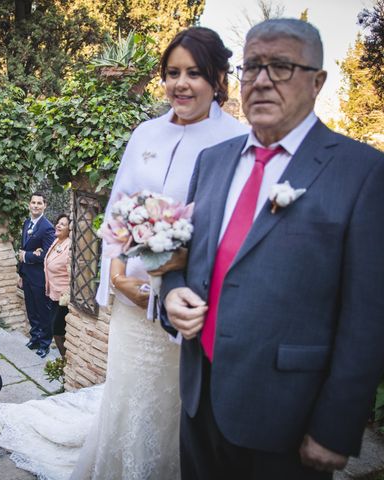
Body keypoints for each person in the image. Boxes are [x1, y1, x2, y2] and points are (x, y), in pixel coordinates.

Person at [161, 19, 384, 480]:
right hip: (199, 401)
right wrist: (172, 291)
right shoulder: (213, 161)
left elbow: (368, 316)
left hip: (285, 417)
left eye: (281, 67)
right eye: (252, 67)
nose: (261, 80)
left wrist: (336, 427)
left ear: (318, 81)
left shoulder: (363, 173)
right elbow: (187, 257)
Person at [71, 27, 248, 479]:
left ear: (218, 78)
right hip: (131, 300)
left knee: (174, 407)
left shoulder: (237, 141)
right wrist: (116, 277)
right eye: (172, 73)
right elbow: (117, 208)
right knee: (128, 395)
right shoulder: (144, 134)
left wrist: (167, 280)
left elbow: (230, 230)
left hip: (188, 305)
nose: (181, 84)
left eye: (194, 73)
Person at [18, 192, 55, 358]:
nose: (35, 205)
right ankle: (34, 337)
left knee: (42, 310)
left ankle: (45, 343)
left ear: (44, 206)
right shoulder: (27, 223)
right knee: (31, 308)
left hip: (39, 276)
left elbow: (47, 254)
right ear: (29, 204)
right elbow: (22, 248)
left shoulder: (47, 227)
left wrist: (28, 256)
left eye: (39, 203)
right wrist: (20, 273)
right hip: (27, 274)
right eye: (33, 202)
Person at [43, 213, 72, 357]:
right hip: (54, 294)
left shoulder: (69, 245)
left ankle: (66, 361)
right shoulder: (57, 241)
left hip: (63, 297)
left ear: (69, 229)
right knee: (56, 329)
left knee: (58, 330)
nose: (58, 225)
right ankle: (64, 361)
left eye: (63, 224)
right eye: (58, 222)